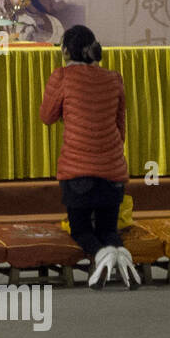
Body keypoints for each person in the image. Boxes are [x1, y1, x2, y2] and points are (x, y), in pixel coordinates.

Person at [39, 24, 140, 289]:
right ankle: (121, 256)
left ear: (65, 51)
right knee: (108, 230)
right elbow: (121, 129)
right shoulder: (114, 78)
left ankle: (101, 255)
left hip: (77, 173)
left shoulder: (61, 77)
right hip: (113, 172)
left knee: (81, 230)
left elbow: (46, 117)